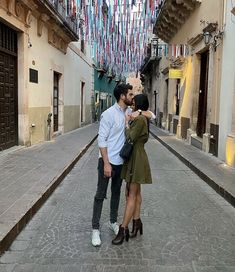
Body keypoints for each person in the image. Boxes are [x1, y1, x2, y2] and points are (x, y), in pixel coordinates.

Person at [91, 84, 154, 247]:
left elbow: (151, 115)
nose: (133, 97)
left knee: (117, 193)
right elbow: (101, 140)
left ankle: (113, 221)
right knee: (100, 194)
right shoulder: (108, 114)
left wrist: (138, 112)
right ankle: (95, 229)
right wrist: (105, 163)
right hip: (107, 161)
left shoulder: (130, 113)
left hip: (122, 162)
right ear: (122, 96)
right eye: (130, 94)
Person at [112, 94, 152, 245]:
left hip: (136, 158)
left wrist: (127, 124)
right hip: (135, 157)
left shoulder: (140, 119)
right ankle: (137, 223)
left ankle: (124, 229)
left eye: (134, 102)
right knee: (134, 192)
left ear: (140, 103)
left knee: (131, 195)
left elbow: (130, 137)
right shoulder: (141, 117)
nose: (132, 104)